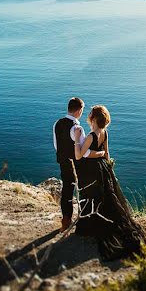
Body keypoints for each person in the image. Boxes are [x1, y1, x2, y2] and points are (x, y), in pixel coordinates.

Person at [72, 104, 146, 259]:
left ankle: (89, 227)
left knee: (91, 196)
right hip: (104, 169)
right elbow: (107, 154)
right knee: (107, 198)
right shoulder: (104, 133)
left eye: (90, 113)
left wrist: (77, 140)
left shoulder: (91, 135)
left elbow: (79, 155)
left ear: (93, 118)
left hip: (91, 172)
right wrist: (110, 170)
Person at [53, 97, 86, 232]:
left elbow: (56, 145)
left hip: (63, 162)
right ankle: (85, 219)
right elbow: (84, 151)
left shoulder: (57, 123)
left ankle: (66, 220)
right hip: (77, 164)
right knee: (84, 189)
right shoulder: (77, 128)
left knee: (66, 190)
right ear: (79, 110)